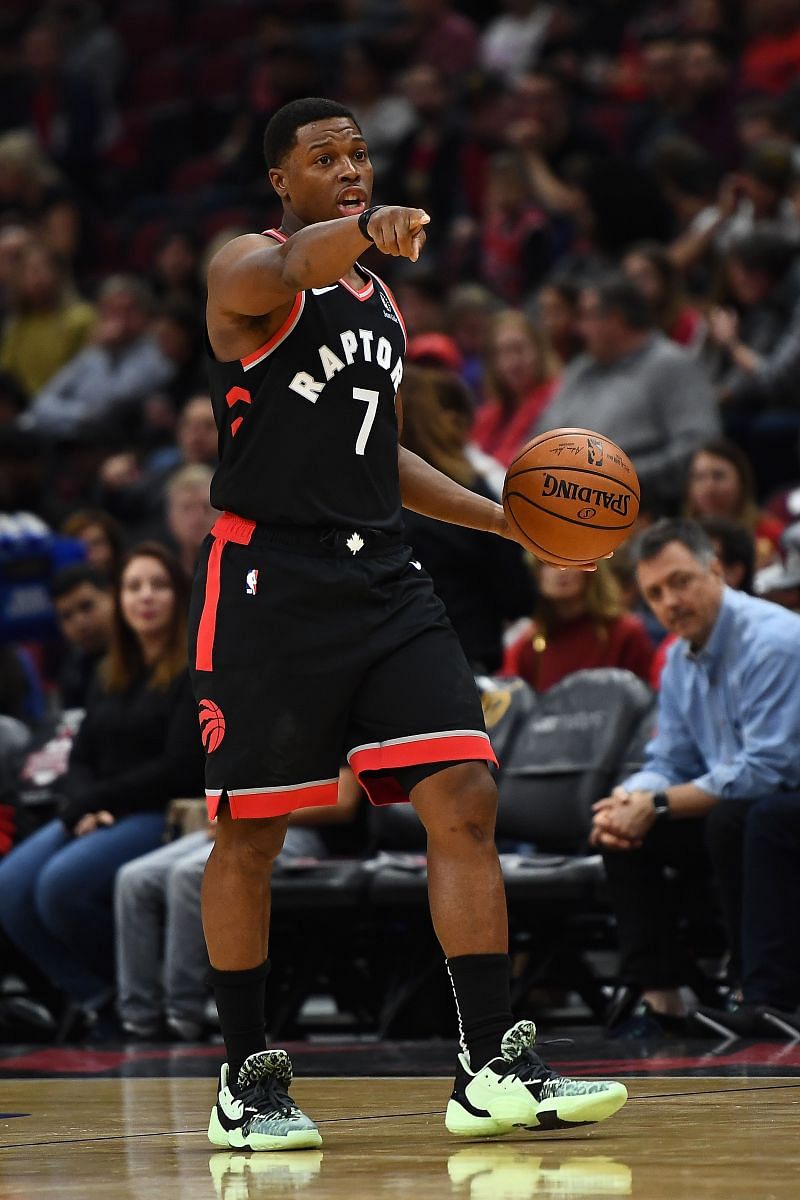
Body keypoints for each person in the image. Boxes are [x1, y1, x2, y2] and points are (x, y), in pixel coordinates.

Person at [193, 96, 627, 1152]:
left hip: (384, 576)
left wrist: (503, 517)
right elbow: (285, 270)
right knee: (251, 834)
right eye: (325, 159)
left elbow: (375, 456)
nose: (349, 169)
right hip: (270, 581)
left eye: (359, 155)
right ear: (281, 183)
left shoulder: (379, 305)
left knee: (462, 794)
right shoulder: (242, 270)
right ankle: (245, 1078)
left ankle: (490, 1063)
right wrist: (362, 226)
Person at [591, 520, 800, 1035]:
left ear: (715, 570)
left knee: (738, 819)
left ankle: (765, 994)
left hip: (782, 795)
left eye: (681, 581)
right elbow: (670, 761)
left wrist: (658, 803)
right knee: (621, 832)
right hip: (748, 801)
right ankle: (665, 999)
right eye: (655, 594)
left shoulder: (772, 640)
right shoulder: (680, 661)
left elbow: (768, 768)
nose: (670, 602)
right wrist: (629, 798)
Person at [0, 543, 204, 1022]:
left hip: (161, 811)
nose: (145, 597)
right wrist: (83, 803)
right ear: (120, 599)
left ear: (178, 595)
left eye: (157, 585)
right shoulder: (109, 670)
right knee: (9, 886)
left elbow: (180, 767)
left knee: (58, 888)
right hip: (100, 809)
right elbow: (80, 753)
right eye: (134, 587)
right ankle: (96, 997)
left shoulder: (194, 667)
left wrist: (98, 800)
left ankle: (133, 989)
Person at [114, 767, 365, 1041]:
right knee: (135, 878)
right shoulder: (259, 726)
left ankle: (183, 1012)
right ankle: (139, 1017)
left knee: (188, 874)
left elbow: (344, 803)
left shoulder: (329, 726)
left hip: (303, 830)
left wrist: (253, 814)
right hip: (243, 821)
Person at [535, 273, 719, 507]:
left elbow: (698, 447)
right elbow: (539, 436)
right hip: (559, 499)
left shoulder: (672, 366)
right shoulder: (580, 369)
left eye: (587, 317)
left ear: (617, 319)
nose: (579, 329)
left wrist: (613, 481)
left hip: (636, 507)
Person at [399, 364, 536, 673]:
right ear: (443, 421)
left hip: (393, 664)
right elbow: (519, 597)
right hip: (464, 664)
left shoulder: (365, 495)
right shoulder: (474, 489)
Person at [21, 275, 175, 438]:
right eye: (112, 311)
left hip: (121, 440)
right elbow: (41, 403)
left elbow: (110, 405)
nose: (120, 320)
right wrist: (81, 415)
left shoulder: (155, 355)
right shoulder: (93, 354)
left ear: (145, 315)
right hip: (75, 437)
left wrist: (77, 416)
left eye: (128, 310)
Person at [502, 561, 655, 691]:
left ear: (592, 567)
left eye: (570, 560)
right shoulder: (528, 645)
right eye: (548, 563)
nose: (561, 570)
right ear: (536, 574)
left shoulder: (625, 633)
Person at [0, 240, 95, 396]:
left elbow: (89, 372)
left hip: (67, 404)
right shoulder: (17, 324)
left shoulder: (81, 318)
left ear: (59, 273)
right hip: (21, 408)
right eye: (28, 271)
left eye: (40, 269)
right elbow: (6, 371)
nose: (35, 279)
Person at [472, 310, 559, 468]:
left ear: (539, 351)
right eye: (503, 352)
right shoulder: (490, 412)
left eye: (519, 349)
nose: (513, 363)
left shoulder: (558, 402)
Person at [684, 439, 785, 567]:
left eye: (718, 476)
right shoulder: (679, 542)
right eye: (699, 477)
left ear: (741, 481)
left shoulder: (770, 533)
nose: (708, 488)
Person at [51, 563, 114, 708]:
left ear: (113, 596)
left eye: (86, 606)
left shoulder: (147, 654)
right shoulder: (72, 673)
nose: (79, 622)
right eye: (66, 616)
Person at [622, 242, 703, 348]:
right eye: (631, 279)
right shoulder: (625, 326)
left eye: (645, 275)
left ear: (665, 278)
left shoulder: (690, 323)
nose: (637, 284)